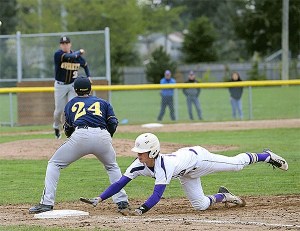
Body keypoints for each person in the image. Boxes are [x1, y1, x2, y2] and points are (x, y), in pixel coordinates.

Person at [80, 132, 288, 216]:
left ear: (152, 151)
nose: (138, 156)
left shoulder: (163, 166)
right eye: (138, 153)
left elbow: (157, 195)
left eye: (142, 153)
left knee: (236, 165)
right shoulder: (138, 164)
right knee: (200, 206)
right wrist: (100, 198)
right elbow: (120, 183)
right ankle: (224, 196)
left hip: (199, 160)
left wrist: (141, 210)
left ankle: (266, 155)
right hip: (186, 173)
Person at [29, 77, 129, 214]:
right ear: (90, 89)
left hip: (81, 135)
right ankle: (122, 201)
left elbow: (68, 129)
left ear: (75, 90)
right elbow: (113, 122)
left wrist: (75, 140)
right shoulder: (103, 102)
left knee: (54, 164)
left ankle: (47, 203)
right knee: (112, 166)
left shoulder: (71, 104)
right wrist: (106, 137)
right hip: (103, 135)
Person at [53, 35, 92, 139]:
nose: (65, 45)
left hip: (72, 86)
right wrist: (80, 51)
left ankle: (70, 129)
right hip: (60, 86)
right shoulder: (58, 54)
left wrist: (88, 76)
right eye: (63, 44)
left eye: (67, 43)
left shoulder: (77, 57)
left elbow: (85, 65)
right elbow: (70, 57)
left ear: (70, 44)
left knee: (72, 107)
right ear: (60, 45)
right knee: (59, 111)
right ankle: (56, 126)